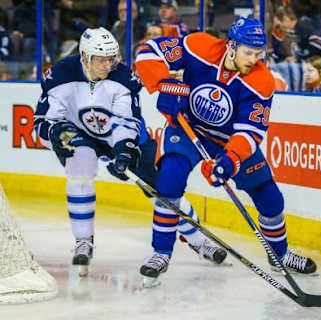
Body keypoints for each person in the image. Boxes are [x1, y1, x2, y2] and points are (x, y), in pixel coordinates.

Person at [134, 17, 317, 283]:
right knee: (169, 182)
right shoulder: (200, 46)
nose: (253, 59)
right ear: (231, 46)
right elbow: (150, 52)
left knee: (271, 199)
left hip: (228, 141)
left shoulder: (262, 81)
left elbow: (250, 132)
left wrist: (230, 160)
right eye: (248, 52)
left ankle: (280, 255)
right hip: (188, 129)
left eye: (258, 53)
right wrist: (165, 83)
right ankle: (160, 253)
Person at [33, 27, 226, 278]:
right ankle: (83, 240)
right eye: (100, 59)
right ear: (84, 56)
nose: (107, 65)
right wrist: (56, 133)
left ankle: (200, 242)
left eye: (111, 58)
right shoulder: (59, 75)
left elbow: (127, 121)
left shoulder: (123, 78)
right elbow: (42, 121)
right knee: (80, 165)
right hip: (78, 131)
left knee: (159, 189)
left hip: (118, 135)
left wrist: (124, 150)